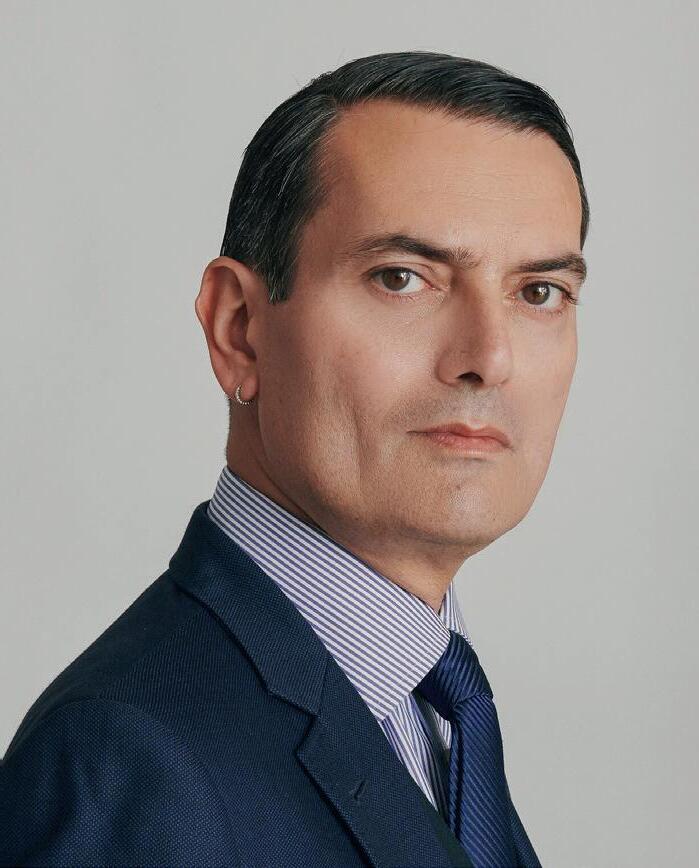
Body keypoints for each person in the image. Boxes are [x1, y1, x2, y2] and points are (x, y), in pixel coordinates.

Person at [0, 50, 589, 867]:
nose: (488, 359)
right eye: (401, 278)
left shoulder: (434, 710)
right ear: (238, 330)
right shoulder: (123, 765)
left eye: (537, 292)